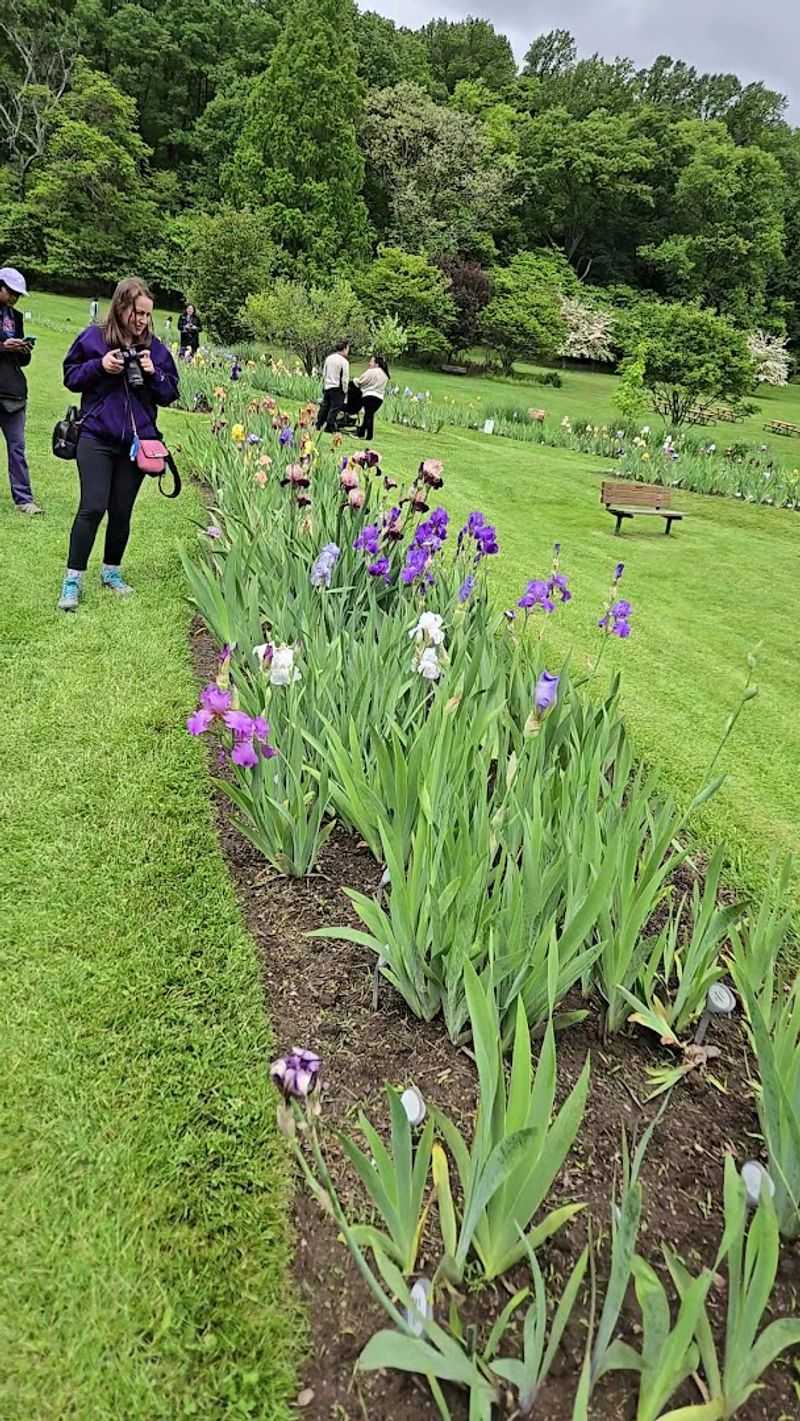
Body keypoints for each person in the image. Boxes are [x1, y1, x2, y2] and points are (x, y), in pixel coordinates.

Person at [57, 275, 179, 612]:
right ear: (121, 306)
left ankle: (111, 571)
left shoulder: (155, 348)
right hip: (96, 436)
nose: (142, 321)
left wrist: (155, 373)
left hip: (136, 442)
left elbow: (170, 393)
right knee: (93, 506)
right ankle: (72, 579)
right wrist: (100, 366)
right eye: (137, 313)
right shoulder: (95, 338)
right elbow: (70, 375)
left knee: (121, 511)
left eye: (147, 315)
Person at [0, 266, 42, 515]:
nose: (14, 298)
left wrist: (23, 350)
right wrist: (5, 346)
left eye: (18, 294)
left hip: (14, 393)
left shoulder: (15, 317)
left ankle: (24, 499)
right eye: (11, 292)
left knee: (17, 448)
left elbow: (21, 361)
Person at [316, 339, 350, 433]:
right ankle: (329, 426)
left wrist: (324, 384)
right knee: (334, 408)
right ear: (345, 348)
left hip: (327, 385)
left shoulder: (329, 358)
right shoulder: (344, 362)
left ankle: (319, 424)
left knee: (325, 406)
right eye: (348, 349)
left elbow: (324, 373)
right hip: (337, 387)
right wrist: (345, 390)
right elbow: (344, 378)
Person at [353, 354, 390, 442]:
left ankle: (364, 434)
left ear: (376, 364)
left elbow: (360, 381)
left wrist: (354, 380)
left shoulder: (371, 371)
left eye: (371, 361)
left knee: (368, 415)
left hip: (369, 395)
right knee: (369, 415)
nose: (369, 363)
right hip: (379, 398)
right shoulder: (385, 375)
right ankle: (366, 434)